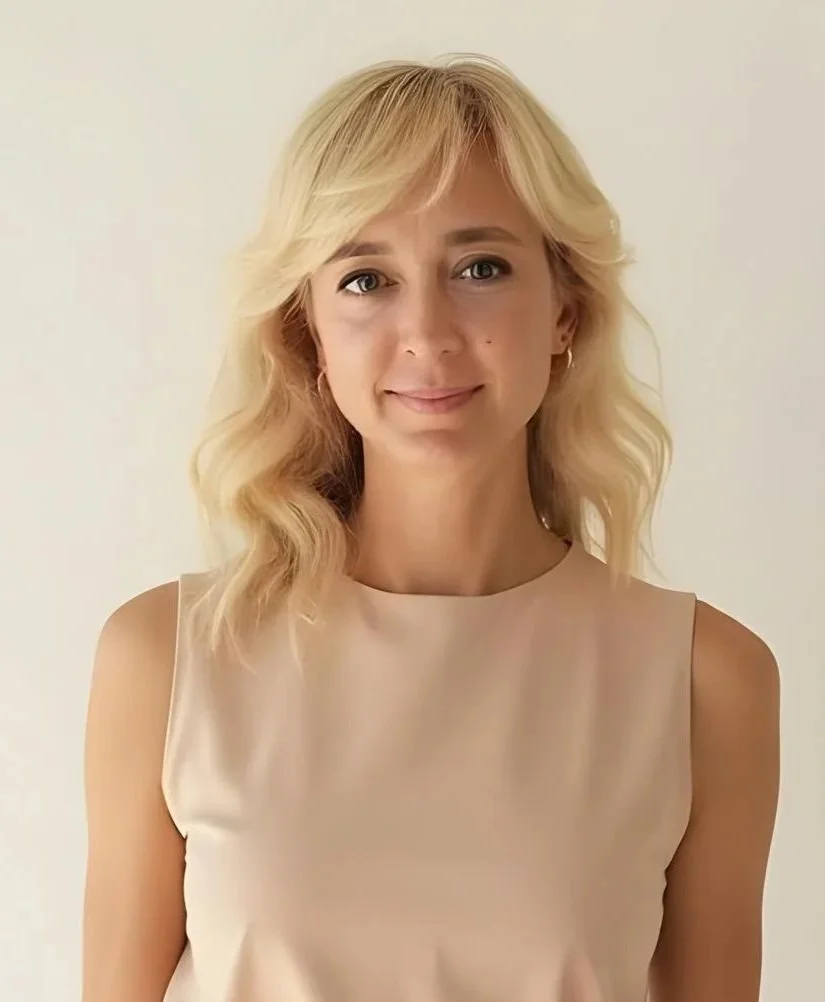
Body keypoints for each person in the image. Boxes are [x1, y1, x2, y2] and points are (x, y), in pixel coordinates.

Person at [82, 54, 780, 1002]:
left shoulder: (704, 678)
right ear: (308, 334)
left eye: (480, 267)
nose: (427, 331)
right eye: (365, 279)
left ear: (565, 313)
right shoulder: (169, 661)